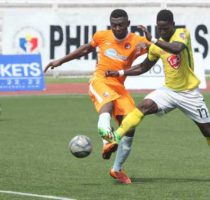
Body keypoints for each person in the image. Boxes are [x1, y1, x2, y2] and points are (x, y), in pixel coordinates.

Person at [104, 9, 210, 183]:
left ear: (173, 25)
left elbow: (176, 49)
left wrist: (154, 40)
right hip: (169, 92)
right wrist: (119, 72)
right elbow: (143, 67)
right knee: (143, 106)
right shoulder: (157, 46)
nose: (162, 31)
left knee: (208, 131)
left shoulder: (182, 34)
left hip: (189, 94)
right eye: (159, 28)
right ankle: (115, 137)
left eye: (165, 28)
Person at [44, 9, 150, 184]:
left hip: (119, 86)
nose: (117, 28)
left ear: (128, 24)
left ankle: (116, 169)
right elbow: (85, 49)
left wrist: (152, 40)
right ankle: (107, 141)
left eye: (120, 25)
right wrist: (60, 61)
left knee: (131, 125)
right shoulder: (101, 36)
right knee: (106, 105)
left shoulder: (138, 43)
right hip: (99, 81)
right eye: (114, 25)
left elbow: (159, 50)